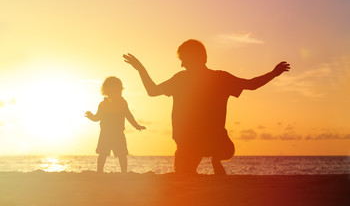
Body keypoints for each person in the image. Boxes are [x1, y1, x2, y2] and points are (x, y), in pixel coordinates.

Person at [123, 39, 290, 175]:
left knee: (188, 172)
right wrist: (273, 73)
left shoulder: (182, 79)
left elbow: (152, 91)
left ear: (192, 58)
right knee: (222, 153)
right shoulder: (219, 78)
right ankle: (215, 160)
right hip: (208, 142)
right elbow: (251, 85)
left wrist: (141, 69)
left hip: (191, 141)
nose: (181, 65)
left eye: (183, 60)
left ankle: (212, 160)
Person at [85, 76, 146, 173]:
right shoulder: (103, 104)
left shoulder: (122, 103)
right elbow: (97, 117)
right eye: (116, 91)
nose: (119, 93)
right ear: (108, 92)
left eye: (119, 91)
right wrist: (91, 116)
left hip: (118, 134)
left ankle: (124, 172)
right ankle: (99, 172)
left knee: (122, 154)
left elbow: (129, 116)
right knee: (103, 154)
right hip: (105, 134)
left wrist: (136, 126)